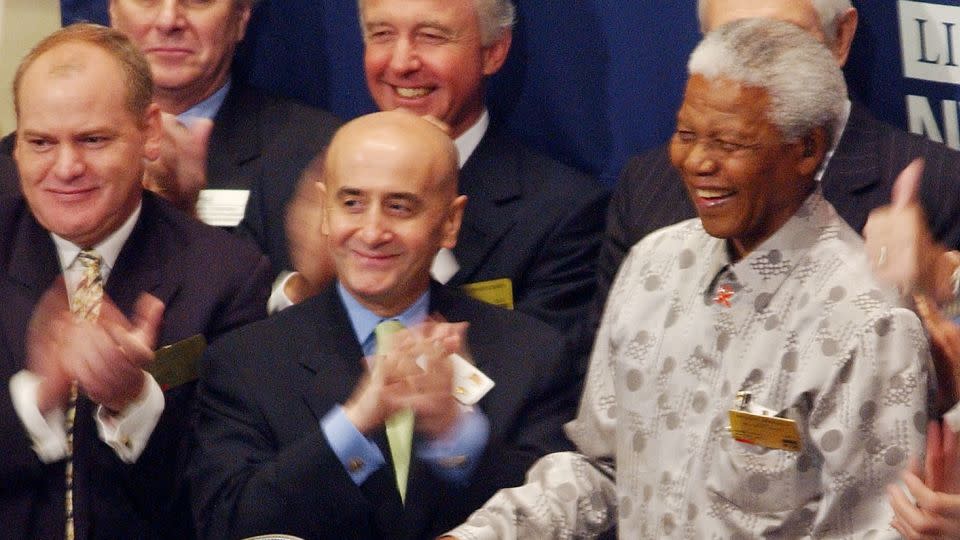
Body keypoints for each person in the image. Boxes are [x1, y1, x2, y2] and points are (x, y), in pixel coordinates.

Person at [444, 18, 929, 538]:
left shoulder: (868, 320)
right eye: (686, 134)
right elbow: (603, 470)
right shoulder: (653, 265)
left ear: (807, 150)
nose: (697, 161)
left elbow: (877, 529)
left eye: (730, 143)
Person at [190, 110, 580, 539]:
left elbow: (561, 518)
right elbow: (228, 521)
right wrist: (354, 424)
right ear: (325, 211)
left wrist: (456, 433)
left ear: (450, 222)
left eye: (399, 206)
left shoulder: (530, 354)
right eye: (352, 203)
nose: (372, 232)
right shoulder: (244, 362)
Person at [0, 23, 272, 539]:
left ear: (149, 132)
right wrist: (40, 399)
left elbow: (223, 491)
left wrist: (134, 402)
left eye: (93, 139)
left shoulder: (227, 277)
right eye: (40, 142)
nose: (65, 166)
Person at [593, 0, 960, 343]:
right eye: (733, 42)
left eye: (785, 42)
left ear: (841, 38)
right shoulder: (649, 188)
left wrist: (942, 284)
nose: (758, 74)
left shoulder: (940, 185)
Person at [243, 0, 607, 339]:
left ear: (492, 51)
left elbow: (534, 380)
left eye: (431, 36)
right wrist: (307, 289)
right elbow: (245, 369)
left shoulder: (561, 212)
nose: (401, 63)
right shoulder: (296, 181)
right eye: (382, 34)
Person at [106, 0, 340, 223]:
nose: (168, 21)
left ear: (240, 17)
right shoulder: (74, 147)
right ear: (113, 11)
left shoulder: (317, 152)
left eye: (198, 1)